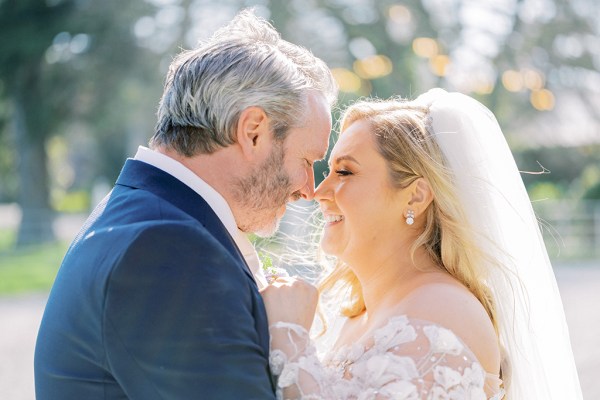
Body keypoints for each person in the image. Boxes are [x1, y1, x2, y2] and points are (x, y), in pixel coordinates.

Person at [34, 10, 336, 399]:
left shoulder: (143, 215)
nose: (308, 189)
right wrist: (290, 339)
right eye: (307, 161)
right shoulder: (168, 249)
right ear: (253, 131)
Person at [261, 89, 583, 399]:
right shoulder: (357, 316)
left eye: (344, 171)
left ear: (415, 195)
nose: (319, 192)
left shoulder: (443, 309)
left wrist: (288, 337)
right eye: (328, 170)